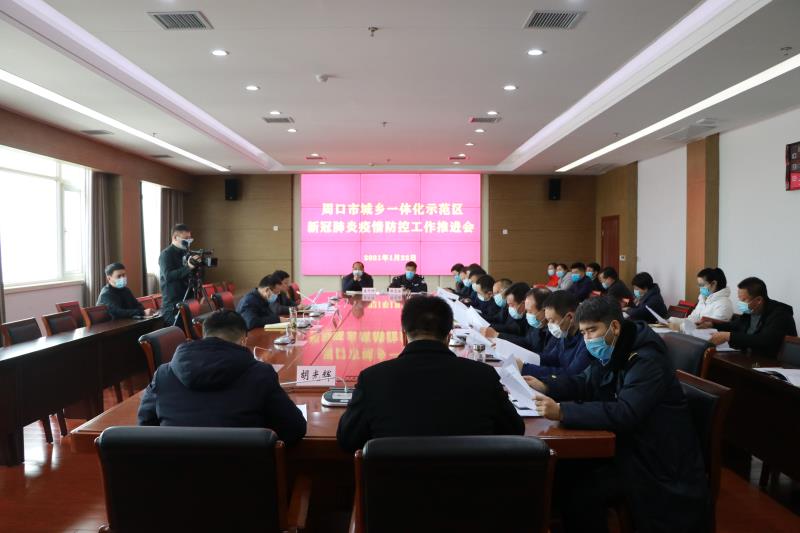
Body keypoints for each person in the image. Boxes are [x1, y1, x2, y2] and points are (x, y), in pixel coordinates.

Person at [526, 297, 708, 533]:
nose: (588, 339)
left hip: (653, 456)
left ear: (614, 326)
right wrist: (546, 386)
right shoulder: (614, 348)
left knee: (581, 491)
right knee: (563, 471)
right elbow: (585, 381)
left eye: (592, 330)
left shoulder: (646, 359)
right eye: (583, 333)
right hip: (628, 443)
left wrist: (563, 411)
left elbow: (625, 412)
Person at [336, 295, 524, 453]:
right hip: (469, 486)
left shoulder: (372, 379)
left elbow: (348, 439)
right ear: (449, 336)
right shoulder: (484, 376)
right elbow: (515, 430)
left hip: (395, 486)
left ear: (403, 335)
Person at [138, 310, 307, 445]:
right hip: (245, 476)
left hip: (175, 475)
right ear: (243, 340)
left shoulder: (163, 374)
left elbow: (145, 427)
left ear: (204, 335)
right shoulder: (260, 374)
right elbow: (294, 429)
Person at [707, 277, 797, 357]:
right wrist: (711, 324)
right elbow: (735, 325)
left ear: (758, 300)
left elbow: (764, 340)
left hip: (771, 363)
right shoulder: (750, 312)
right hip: (749, 357)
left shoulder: (780, 315)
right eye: (739, 299)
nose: (740, 303)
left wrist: (729, 336)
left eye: (744, 300)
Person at [517, 291, 592, 378]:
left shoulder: (588, 340)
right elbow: (552, 358)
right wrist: (525, 357)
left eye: (552, 321)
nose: (549, 325)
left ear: (570, 317)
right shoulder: (566, 333)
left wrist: (526, 369)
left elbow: (570, 374)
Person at [486, 287, 553, 354]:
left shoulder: (554, 332)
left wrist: (499, 337)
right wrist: (505, 345)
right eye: (526, 311)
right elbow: (526, 342)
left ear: (545, 311)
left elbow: (546, 357)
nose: (527, 315)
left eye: (530, 312)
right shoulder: (538, 324)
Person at [158, 223, 200, 325]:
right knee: (177, 331)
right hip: (173, 304)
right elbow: (168, 276)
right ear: (175, 238)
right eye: (186, 238)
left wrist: (198, 266)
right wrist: (188, 267)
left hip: (188, 301)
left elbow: (195, 276)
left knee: (191, 330)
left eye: (190, 238)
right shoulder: (166, 254)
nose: (188, 241)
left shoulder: (187, 253)